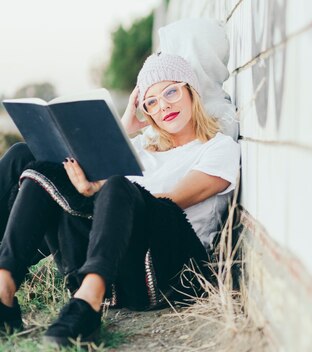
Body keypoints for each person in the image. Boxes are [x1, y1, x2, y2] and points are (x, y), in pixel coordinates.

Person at [0, 20, 240, 347]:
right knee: (28, 157)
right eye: (151, 101)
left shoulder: (218, 148)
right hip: (119, 268)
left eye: (171, 91)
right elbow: (82, 179)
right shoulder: (142, 145)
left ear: (191, 90)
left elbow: (170, 202)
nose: (163, 106)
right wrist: (124, 126)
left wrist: (96, 193)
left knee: (118, 185)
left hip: (167, 269)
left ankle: (86, 306)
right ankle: (4, 288)